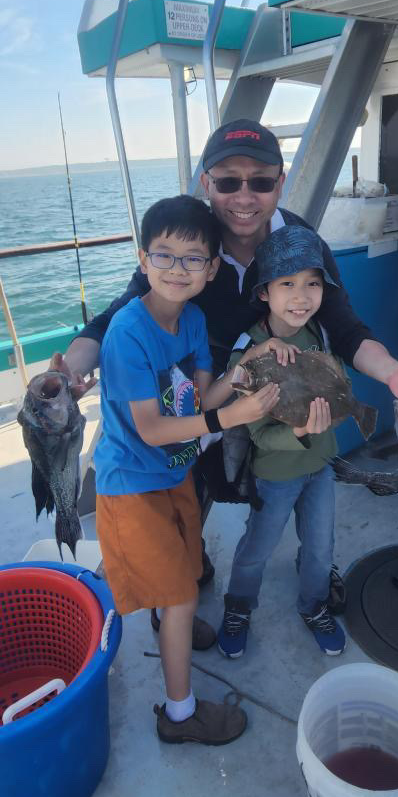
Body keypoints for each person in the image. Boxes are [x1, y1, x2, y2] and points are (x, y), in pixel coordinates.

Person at [55, 118, 398, 594]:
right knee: (191, 492)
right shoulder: (189, 241)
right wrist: (68, 372)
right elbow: (112, 320)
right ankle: (181, 582)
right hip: (200, 391)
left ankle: (315, 566)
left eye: (260, 181)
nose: (244, 196)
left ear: (279, 183)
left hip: (277, 384)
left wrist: (393, 372)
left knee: (288, 481)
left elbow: (344, 327)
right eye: (227, 181)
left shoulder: (301, 241)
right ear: (206, 184)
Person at [95, 194, 284, 744]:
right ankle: (179, 716)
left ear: (212, 268)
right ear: (142, 258)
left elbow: (201, 400)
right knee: (182, 596)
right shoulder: (127, 332)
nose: (178, 269)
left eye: (193, 258)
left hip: (175, 473)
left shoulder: (195, 320)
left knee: (184, 569)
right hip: (132, 484)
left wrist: (246, 367)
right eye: (165, 255)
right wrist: (231, 417)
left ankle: (170, 614)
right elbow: (153, 429)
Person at [217, 226, 351, 659]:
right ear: (264, 293)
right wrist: (297, 431)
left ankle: (313, 605)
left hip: (321, 469)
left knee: (319, 548)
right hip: (274, 476)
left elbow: (337, 387)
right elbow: (255, 432)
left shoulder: (321, 336)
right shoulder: (249, 353)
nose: (301, 296)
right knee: (256, 548)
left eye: (312, 283)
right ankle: (238, 607)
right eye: (287, 284)